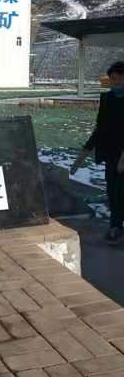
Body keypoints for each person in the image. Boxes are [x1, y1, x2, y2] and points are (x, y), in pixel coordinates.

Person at [71, 60, 124, 243]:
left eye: (119, 79)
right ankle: (115, 226)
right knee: (113, 191)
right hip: (111, 153)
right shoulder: (107, 99)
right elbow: (100, 128)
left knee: (121, 191)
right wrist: (82, 156)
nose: (115, 83)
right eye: (113, 79)